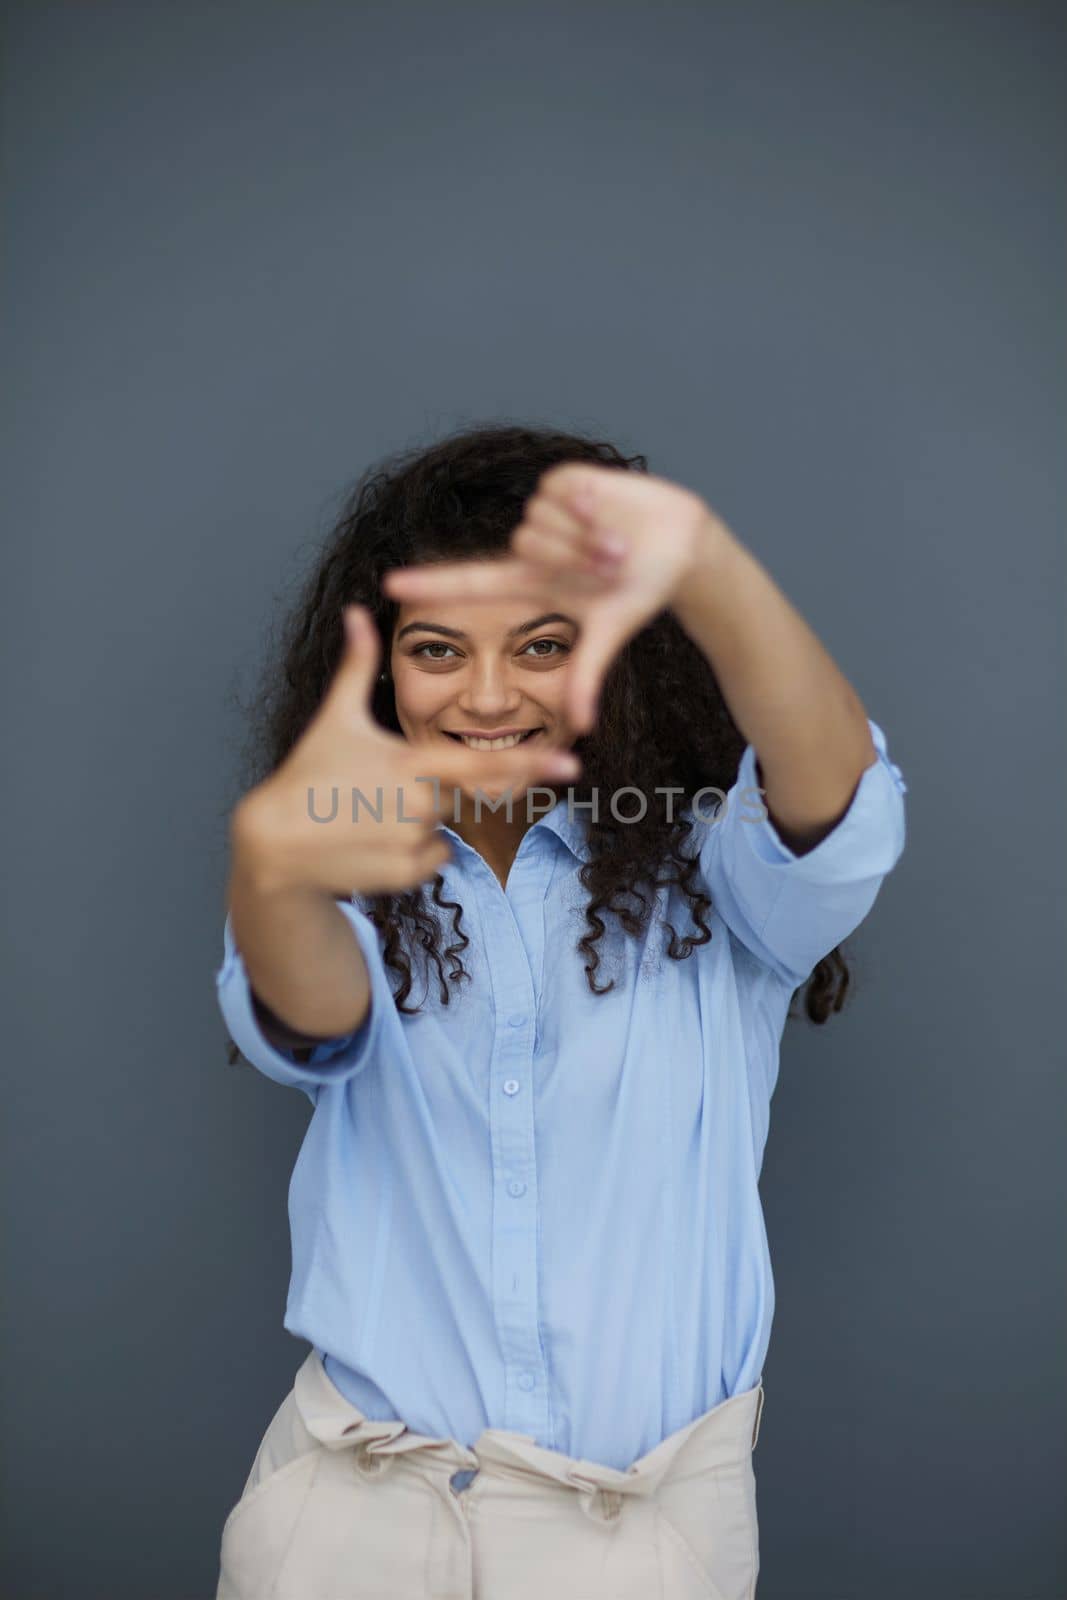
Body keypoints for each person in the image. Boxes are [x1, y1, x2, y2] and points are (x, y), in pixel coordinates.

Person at [213, 422, 908, 1599]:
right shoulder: (328, 865)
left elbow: (835, 807)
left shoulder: (716, 875)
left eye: (542, 644)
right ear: (381, 666)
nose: (488, 696)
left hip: (632, 1536)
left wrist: (704, 563)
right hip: (349, 1527)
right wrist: (269, 869)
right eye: (438, 649)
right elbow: (310, 1018)